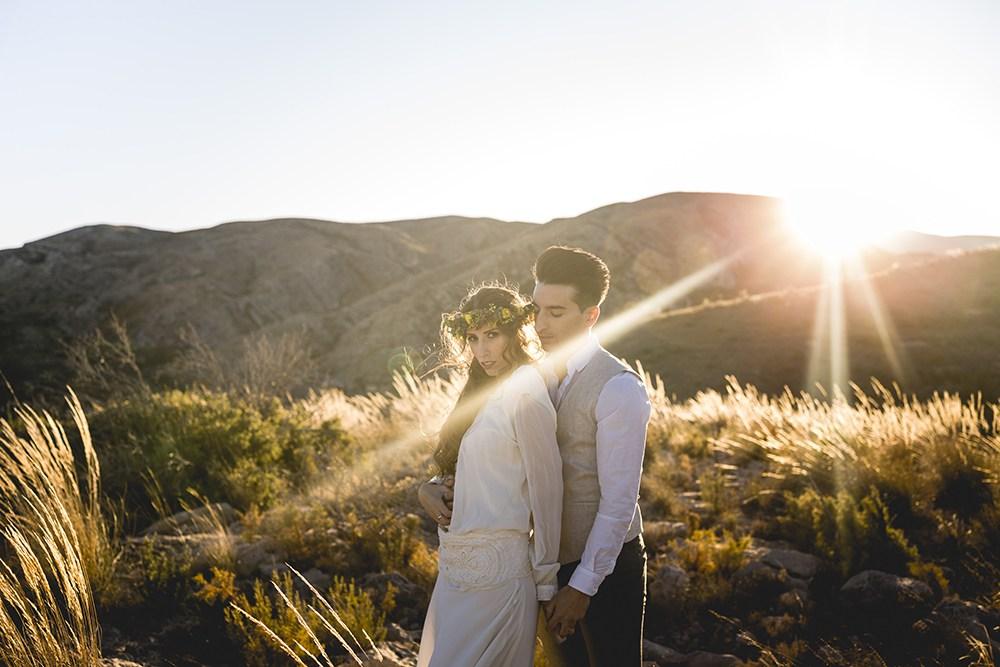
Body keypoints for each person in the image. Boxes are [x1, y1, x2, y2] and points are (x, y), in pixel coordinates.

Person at [419, 246, 652, 666]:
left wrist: (580, 588)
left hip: (604, 568)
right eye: (537, 310)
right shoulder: (530, 376)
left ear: (590, 315)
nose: (541, 325)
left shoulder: (619, 388)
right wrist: (433, 487)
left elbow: (619, 503)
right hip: (539, 565)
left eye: (556, 313)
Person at [415, 283, 563, 667]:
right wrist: (428, 489)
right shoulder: (481, 390)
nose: (481, 350)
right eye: (473, 338)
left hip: (499, 582)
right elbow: (470, 471)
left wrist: (547, 586)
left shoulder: (526, 390)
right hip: (455, 573)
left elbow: (547, 492)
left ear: (517, 332)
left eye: (492, 336)